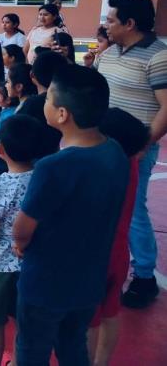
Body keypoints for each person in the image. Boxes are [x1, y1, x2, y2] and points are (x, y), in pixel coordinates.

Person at [13, 65, 129, 366]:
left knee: (31, 350)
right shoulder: (115, 152)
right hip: (89, 280)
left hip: (45, 282)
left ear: (62, 114)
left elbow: (22, 229)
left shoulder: (53, 167)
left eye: (50, 98)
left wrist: (20, 245)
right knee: (73, 346)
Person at [97, 0, 167, 308]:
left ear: (130, 23)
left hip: (135, 149)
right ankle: (105, 267)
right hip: (101, 144)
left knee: (133, 209)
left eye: (111, 20)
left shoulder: (158, 56)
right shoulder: (110, 53)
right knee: (102, 206)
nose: (105, 25)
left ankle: (144, 277)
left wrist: (143, 144)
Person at [88, 108, 149, 366]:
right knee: (110, 313)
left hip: (93, 257)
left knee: (88, 320)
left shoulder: (101, 171)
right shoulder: (131, 163)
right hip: (118, 254)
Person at [0, 114, 40, 366]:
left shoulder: (0, 184)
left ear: (0, 149)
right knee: (24, 321)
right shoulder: (42, 179)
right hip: (30, 263)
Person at [18, 50, 69, 157]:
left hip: (35, 159)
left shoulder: (31, 104)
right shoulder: (71, 100)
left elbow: (16, 132)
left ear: (32, 75)